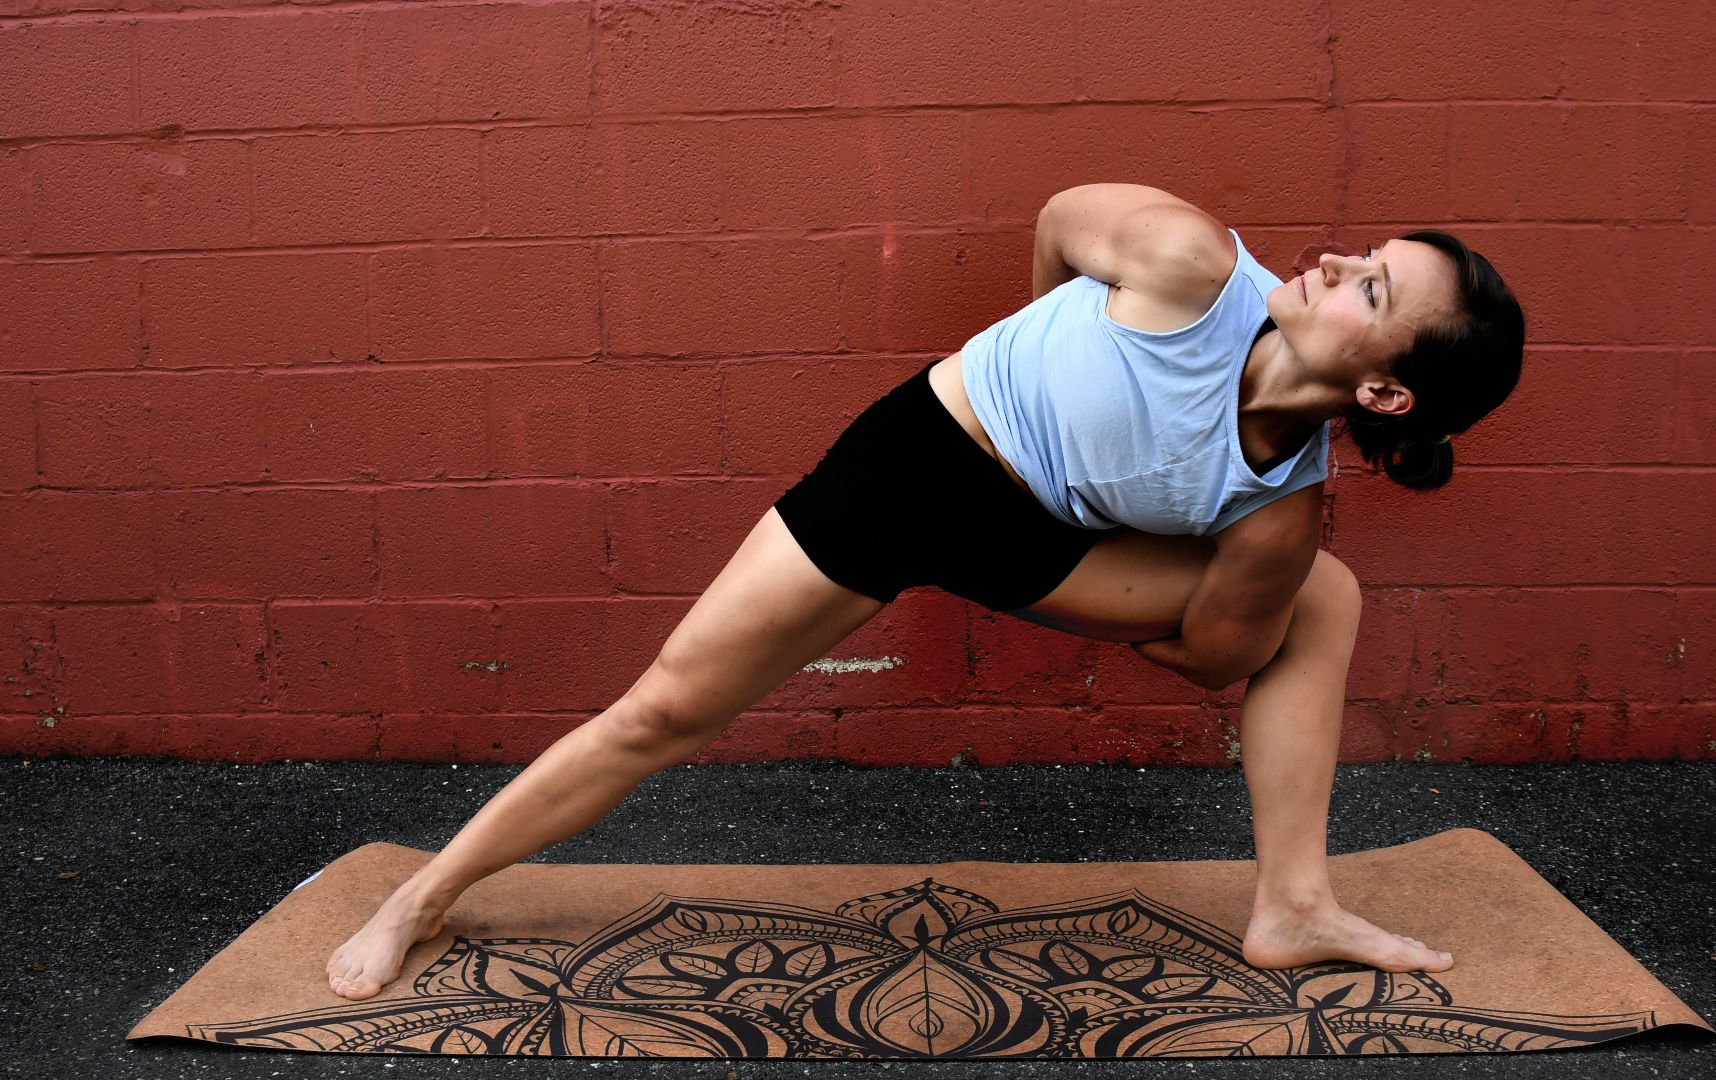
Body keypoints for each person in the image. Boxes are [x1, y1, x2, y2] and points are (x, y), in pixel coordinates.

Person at [324, 182, 1525, 1000]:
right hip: (918, 464)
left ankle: (1296, 907)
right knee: (663, 712)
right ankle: (426, 897)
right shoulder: (1186, 261)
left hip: (1046, 546)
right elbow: (1060, 222)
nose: (1331, 263)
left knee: (1322, 594)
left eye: (1370, 290)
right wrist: (1046, 340)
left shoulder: (1277, 508)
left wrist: (1102, 574)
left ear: (1386, 398)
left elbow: (1217, 657)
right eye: (1365, 257)